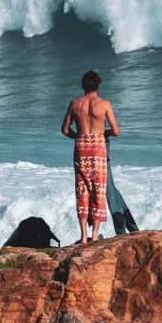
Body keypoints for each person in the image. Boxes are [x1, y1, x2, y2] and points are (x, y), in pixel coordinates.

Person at [61, 70, 119, 244]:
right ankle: (94, 235)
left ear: (83, 86)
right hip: (98, 147)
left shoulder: (75, 103)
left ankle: (83, 236)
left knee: (82, 189)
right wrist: (102, 133)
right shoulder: (104, 104)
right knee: (98, 189)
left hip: (81, 146)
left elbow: (65, 129)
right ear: (98, 85)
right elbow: (116, 131)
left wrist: (79, 137)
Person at [105, 143, 139, 234]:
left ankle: (122, 234)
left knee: (111, 195)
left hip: (98, 157)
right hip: (99, 155)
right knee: (113, 194)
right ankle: (135, 232)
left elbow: (115, 131)